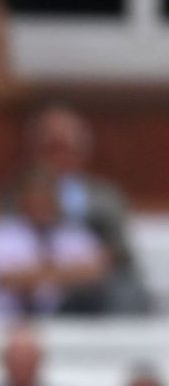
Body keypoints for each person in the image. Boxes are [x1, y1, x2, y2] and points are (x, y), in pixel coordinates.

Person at [10, 105, 150, 313]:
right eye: (52, 148)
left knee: (127, 292)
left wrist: (95, 263)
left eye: (67, 147)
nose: (60, 156)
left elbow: (119, 248)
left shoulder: (105, 195)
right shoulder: (16, 193)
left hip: (97, 280)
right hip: (37, 280)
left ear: (82, 151)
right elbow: (6, 246)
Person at [0, 173, 117, 317]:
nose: (42, 208)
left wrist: (37, 275)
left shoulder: (73, 233)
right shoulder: (3, 234)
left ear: (57, 202)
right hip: (13, 320)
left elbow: (98, 272)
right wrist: (68, 274)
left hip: (67, 316)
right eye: (36, 202)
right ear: (23, 202)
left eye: (47, 201)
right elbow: (7, 279)